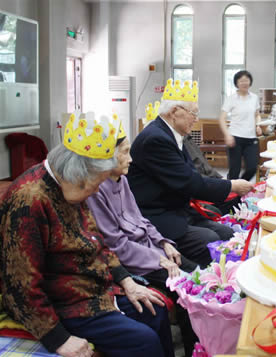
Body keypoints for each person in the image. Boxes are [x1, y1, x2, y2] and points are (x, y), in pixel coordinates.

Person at [0, 113, 174, 357]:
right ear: (78, 174)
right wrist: (58, 338)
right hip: (64, 302)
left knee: (155, 312)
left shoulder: (70, 186)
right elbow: (20, 285)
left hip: (94, 288)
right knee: (143, 341)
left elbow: (96, 241)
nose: (95, 191)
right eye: (95, 183)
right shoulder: (29, 201)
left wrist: (126, 280)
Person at [87, 134, 197, 357]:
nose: (131, 159)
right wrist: (159, 259)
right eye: (125, 152)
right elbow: (116, 245)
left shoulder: (122, 180)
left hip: (152, 250)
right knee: (188, 292)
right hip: (136, 261)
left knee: (198, 274)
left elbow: (141, 220)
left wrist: (164, 243)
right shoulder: (96, 191)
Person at [127, 79, 253, 268]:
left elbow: (191, 174)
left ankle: (226, 275)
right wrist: (232, 186)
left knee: (226, 233)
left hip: (179, 208)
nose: (195, 118)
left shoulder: (171, 134)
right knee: (209, 240)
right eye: (193, 113)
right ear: (174, 112)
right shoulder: (155, 139)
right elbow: (189, 182)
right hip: (158, 215)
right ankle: (205, 279)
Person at [219, 70, 261, 180]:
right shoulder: (231, 98)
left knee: (252, 168)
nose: (244, 83)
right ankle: (232, 193)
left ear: (250, 82)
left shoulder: (254, 97)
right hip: (235, 137)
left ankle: (241, 186)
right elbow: (222, 118)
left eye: (246, 80)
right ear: (236, 83)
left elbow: (257, 115)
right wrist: (227, 135)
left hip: (251, 139)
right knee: (234, 171)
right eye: (241, 81)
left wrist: (258, 125)